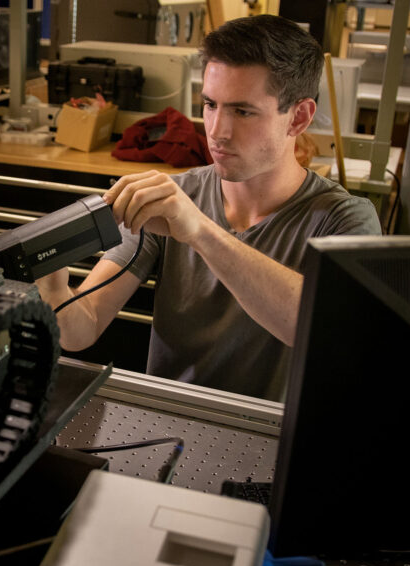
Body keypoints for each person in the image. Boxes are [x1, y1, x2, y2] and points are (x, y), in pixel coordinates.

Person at [35, 15, 382, 401]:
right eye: (211, 105)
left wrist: (199, 232)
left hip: (272, 443)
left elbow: (326, 333)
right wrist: (54, 288)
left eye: (243, 111)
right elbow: (84, 327)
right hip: (172, 430)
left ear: (298, 117)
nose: (216, 130)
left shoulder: (345, 219)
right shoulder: (175, 199)